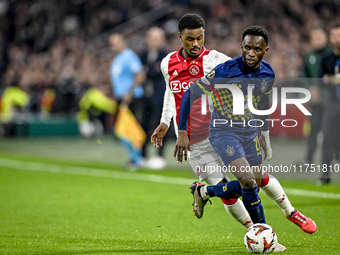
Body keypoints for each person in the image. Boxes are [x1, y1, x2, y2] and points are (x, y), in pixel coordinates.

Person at [175, 25, 317, 235]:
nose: (251, 53)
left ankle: (203, 192)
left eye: (257, 49)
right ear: (241, 46)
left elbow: (261, 104)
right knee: (248, 182)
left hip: (249, 133)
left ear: (265, 50)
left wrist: (264, 135)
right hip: (223, 133)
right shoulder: (225, 71)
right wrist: (182, 131)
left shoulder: (268, 73)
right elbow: (189, 94)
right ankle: (265, 234)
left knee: (255, 184)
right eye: (247, 48)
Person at [109, 33, 146, 170]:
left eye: (115, 42)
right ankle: (135, 157)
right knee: (122, 129)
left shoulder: (129, 57)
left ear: (122, 42)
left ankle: (137, 158)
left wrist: (129, 92)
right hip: (122, 98)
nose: (112, 45)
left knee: (130, 129)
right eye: (111, 43)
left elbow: (141, 75)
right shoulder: (118, 59)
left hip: (132, 98)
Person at [296, 26, 332, 167]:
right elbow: (305, 76)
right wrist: (310, 88)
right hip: (316, 102)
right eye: (314, 38)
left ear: (325, 38)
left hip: (331, 101)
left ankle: (333, 160)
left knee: (332, 132)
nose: (316, 40)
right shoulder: (309, 56)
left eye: (319, 37)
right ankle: (308, 160)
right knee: (313, 130)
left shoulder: (332, 54)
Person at [140, 27, 169, 169]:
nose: (154, 41)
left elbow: (155, 73)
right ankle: (143, 155)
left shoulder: (167, 56)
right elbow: (143, 73)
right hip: (145, 96)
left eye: (157, 38)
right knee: (143, 125)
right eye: (151, 38)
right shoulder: (143, 55)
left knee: (160, 125)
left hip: (161, 97)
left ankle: (159, 156)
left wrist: (149, 71)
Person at [317, 21, 340, 186]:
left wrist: (330, 79)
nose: (337, 39)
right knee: (327, 139)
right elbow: (320, 80)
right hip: (332, 103)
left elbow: (327, 79)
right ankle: (325, 176)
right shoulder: (326, 58)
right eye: (334, 35)